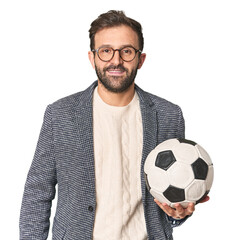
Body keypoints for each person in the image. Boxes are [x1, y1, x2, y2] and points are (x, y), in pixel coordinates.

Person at [19, 10, 209, 240]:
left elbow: (169, 196)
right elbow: (37, 192)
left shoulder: (168, 115)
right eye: (106, 51)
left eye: (127, 51)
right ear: (92, 58)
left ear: (141, 59)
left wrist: (177, 214)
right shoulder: (60, 115)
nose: (116, 60)